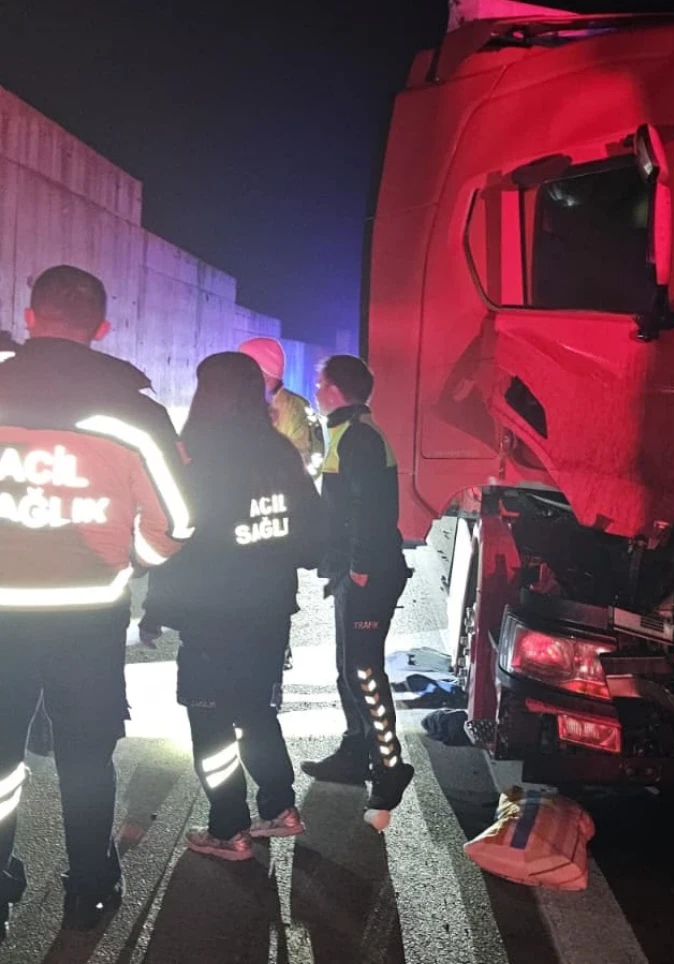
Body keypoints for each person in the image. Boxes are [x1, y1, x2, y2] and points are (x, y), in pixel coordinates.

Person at [0, 266, 189, 940]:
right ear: (101, 328)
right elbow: (177, 523)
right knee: (85, 755)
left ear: (29, 316)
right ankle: (90, 889)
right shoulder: (133, 411)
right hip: (86, 616)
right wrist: (134, 559)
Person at [142, 352, 324, 860]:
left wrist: (156, 610)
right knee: (256, 709)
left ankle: (228, 828)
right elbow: (313, 542)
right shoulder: (282, 455)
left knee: (210, 720)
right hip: (269, 612)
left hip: (212, 616)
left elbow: (175, 542)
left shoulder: (194, 461)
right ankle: (280, 807)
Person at [301, 355, 414, 828]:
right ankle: (354, 751)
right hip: (352, 572)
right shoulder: (346, 432)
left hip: (370, 572)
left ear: (335, 391)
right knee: (347, 667)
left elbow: (371, 509)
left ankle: (390, 767)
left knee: (364, 671)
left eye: (321, 382)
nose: (316, 388)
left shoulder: (361, 436)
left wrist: (361, 566)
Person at [238, 337, 325, 477]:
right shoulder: (245, 403)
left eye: (244, 369)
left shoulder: (295, 409)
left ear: (266, 375)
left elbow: (302, 466)